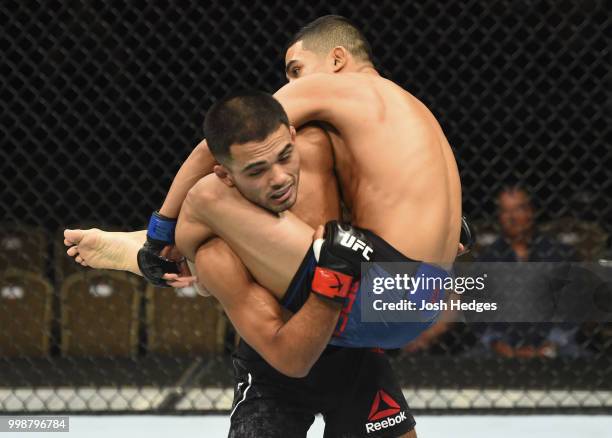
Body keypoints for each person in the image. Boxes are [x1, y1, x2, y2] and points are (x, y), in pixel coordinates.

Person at [67, 15, 468, 436]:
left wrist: (160, 232)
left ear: (337, 59)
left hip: (373, 283)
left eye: (296, 71)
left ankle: (164, 256)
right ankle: (203, 266)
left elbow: (216, 147)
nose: (291, 85)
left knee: (209, 194)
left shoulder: (332, 89)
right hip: (425, 298)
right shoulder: (408, 111)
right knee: (303, 150)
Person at [476, 185, 579, 359]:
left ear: (531, 212)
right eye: (505, 211)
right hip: (500, 347)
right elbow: (477, 314)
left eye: (519, 209)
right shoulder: (487, 259)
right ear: (499, 217)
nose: (512, 218)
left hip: (556, 345)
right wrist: (497, 344)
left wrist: (550, 346)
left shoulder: (559, 255)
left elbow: (575, 307)